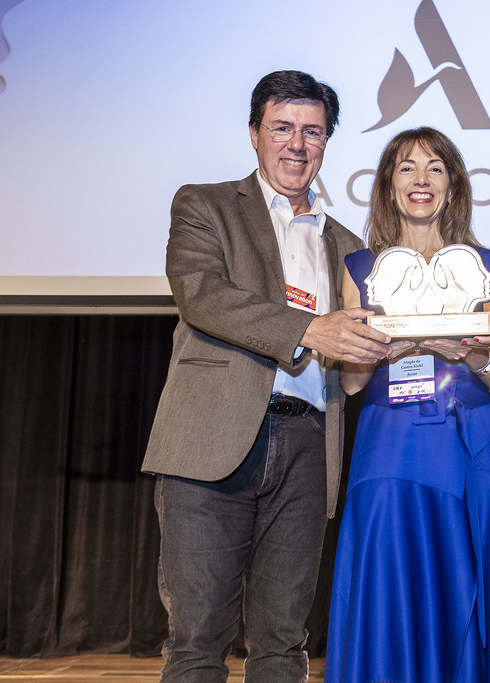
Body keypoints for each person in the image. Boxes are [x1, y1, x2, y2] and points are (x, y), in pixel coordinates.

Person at [142, 70, 393, 682]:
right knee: (197, 638)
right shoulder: (204, 205)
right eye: (282, 128)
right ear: (254, 134)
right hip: (211, 439)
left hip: (309, 445)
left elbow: (356, 345)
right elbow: (202, 296)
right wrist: (310, 329)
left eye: (313, 131)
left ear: (327, 142)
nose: (297, 144)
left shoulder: (347, 243)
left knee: (284, 642)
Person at [324, 127, 490, 682]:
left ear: (452, 186)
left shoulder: (486, 265)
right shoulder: (360, 267)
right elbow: (352, 384)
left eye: (434, 168)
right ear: (387, 186)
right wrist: (391, 347)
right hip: (392, 443)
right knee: (389, 576)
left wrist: (470, 352)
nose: (420, 180)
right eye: (406, 168)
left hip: (469, 439)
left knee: (469, 575)